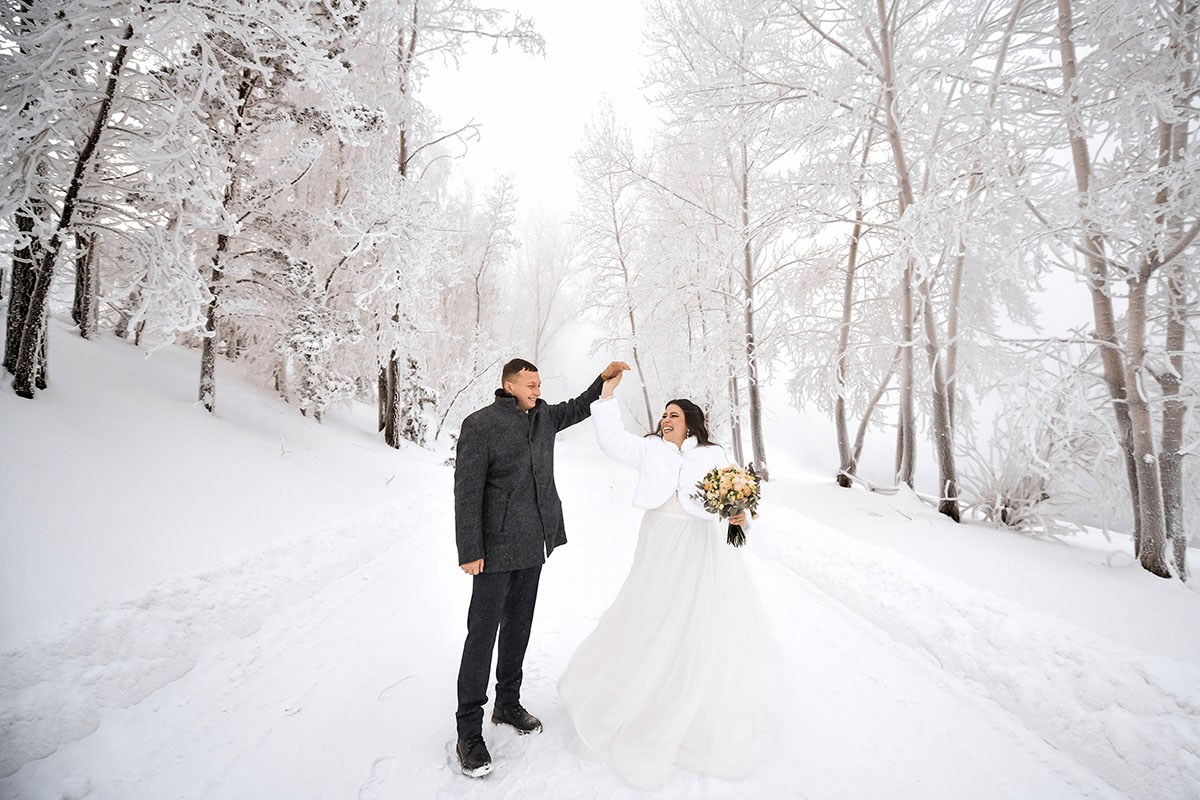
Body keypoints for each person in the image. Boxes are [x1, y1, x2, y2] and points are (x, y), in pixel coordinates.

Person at [557, 365, 778, 790]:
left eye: (673, 414)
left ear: (690, 422)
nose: (665, 419)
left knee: (695, 615)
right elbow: (613, 442)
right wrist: (605, 400)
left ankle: (690, 700)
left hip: (698, 542)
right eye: (663, 414)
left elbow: (735, 497)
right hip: (660, 538)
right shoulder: (649, 448)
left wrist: (738, 514)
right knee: (650, 610)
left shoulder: (712, 454)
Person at [453, 357, 630, 778]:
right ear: (510, 385)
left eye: (539, 384)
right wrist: (470, 549)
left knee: (519, 626)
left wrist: (602, 381)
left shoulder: (544, 417)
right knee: (482, 635)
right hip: (493, 550)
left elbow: (579, 405)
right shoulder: (480, 425)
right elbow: (466, 491)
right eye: (530, 384)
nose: (537, 390)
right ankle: (468, 732)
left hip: (534, 544)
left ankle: (508, 703)